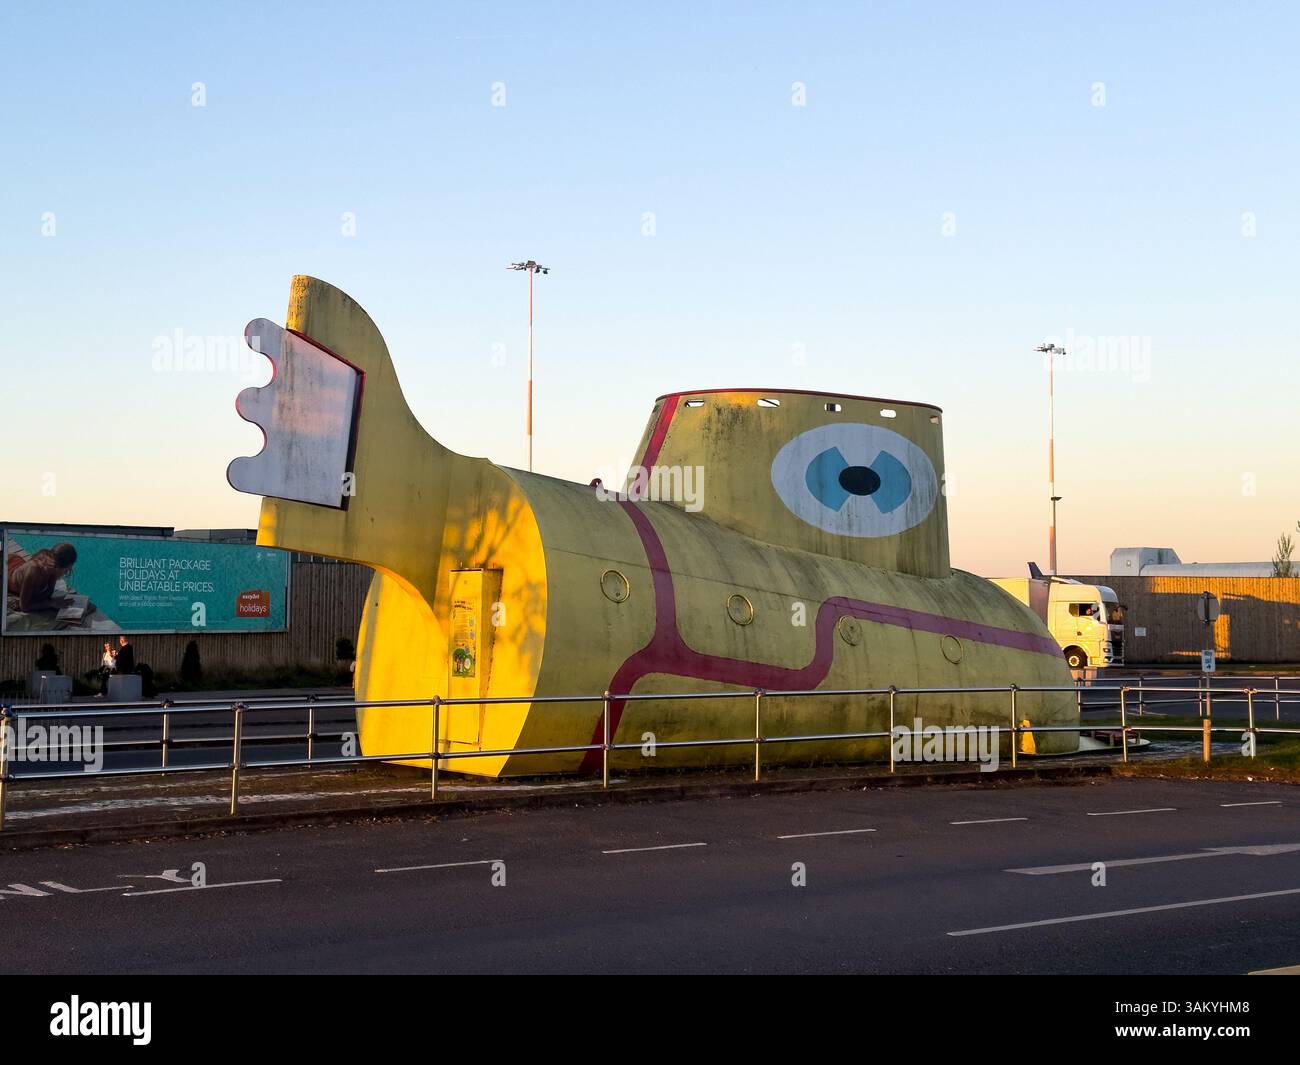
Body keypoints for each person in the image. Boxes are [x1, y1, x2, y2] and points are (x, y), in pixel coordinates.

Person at [6, 542, 77, 613]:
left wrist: (55, 601)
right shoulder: (33, 571)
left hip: (17, 562)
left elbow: (48, 594)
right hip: (7, 569)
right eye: (66, 570)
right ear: (58, 567)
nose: (66, 573)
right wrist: (51, 603)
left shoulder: (53, 566)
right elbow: (24, 607)